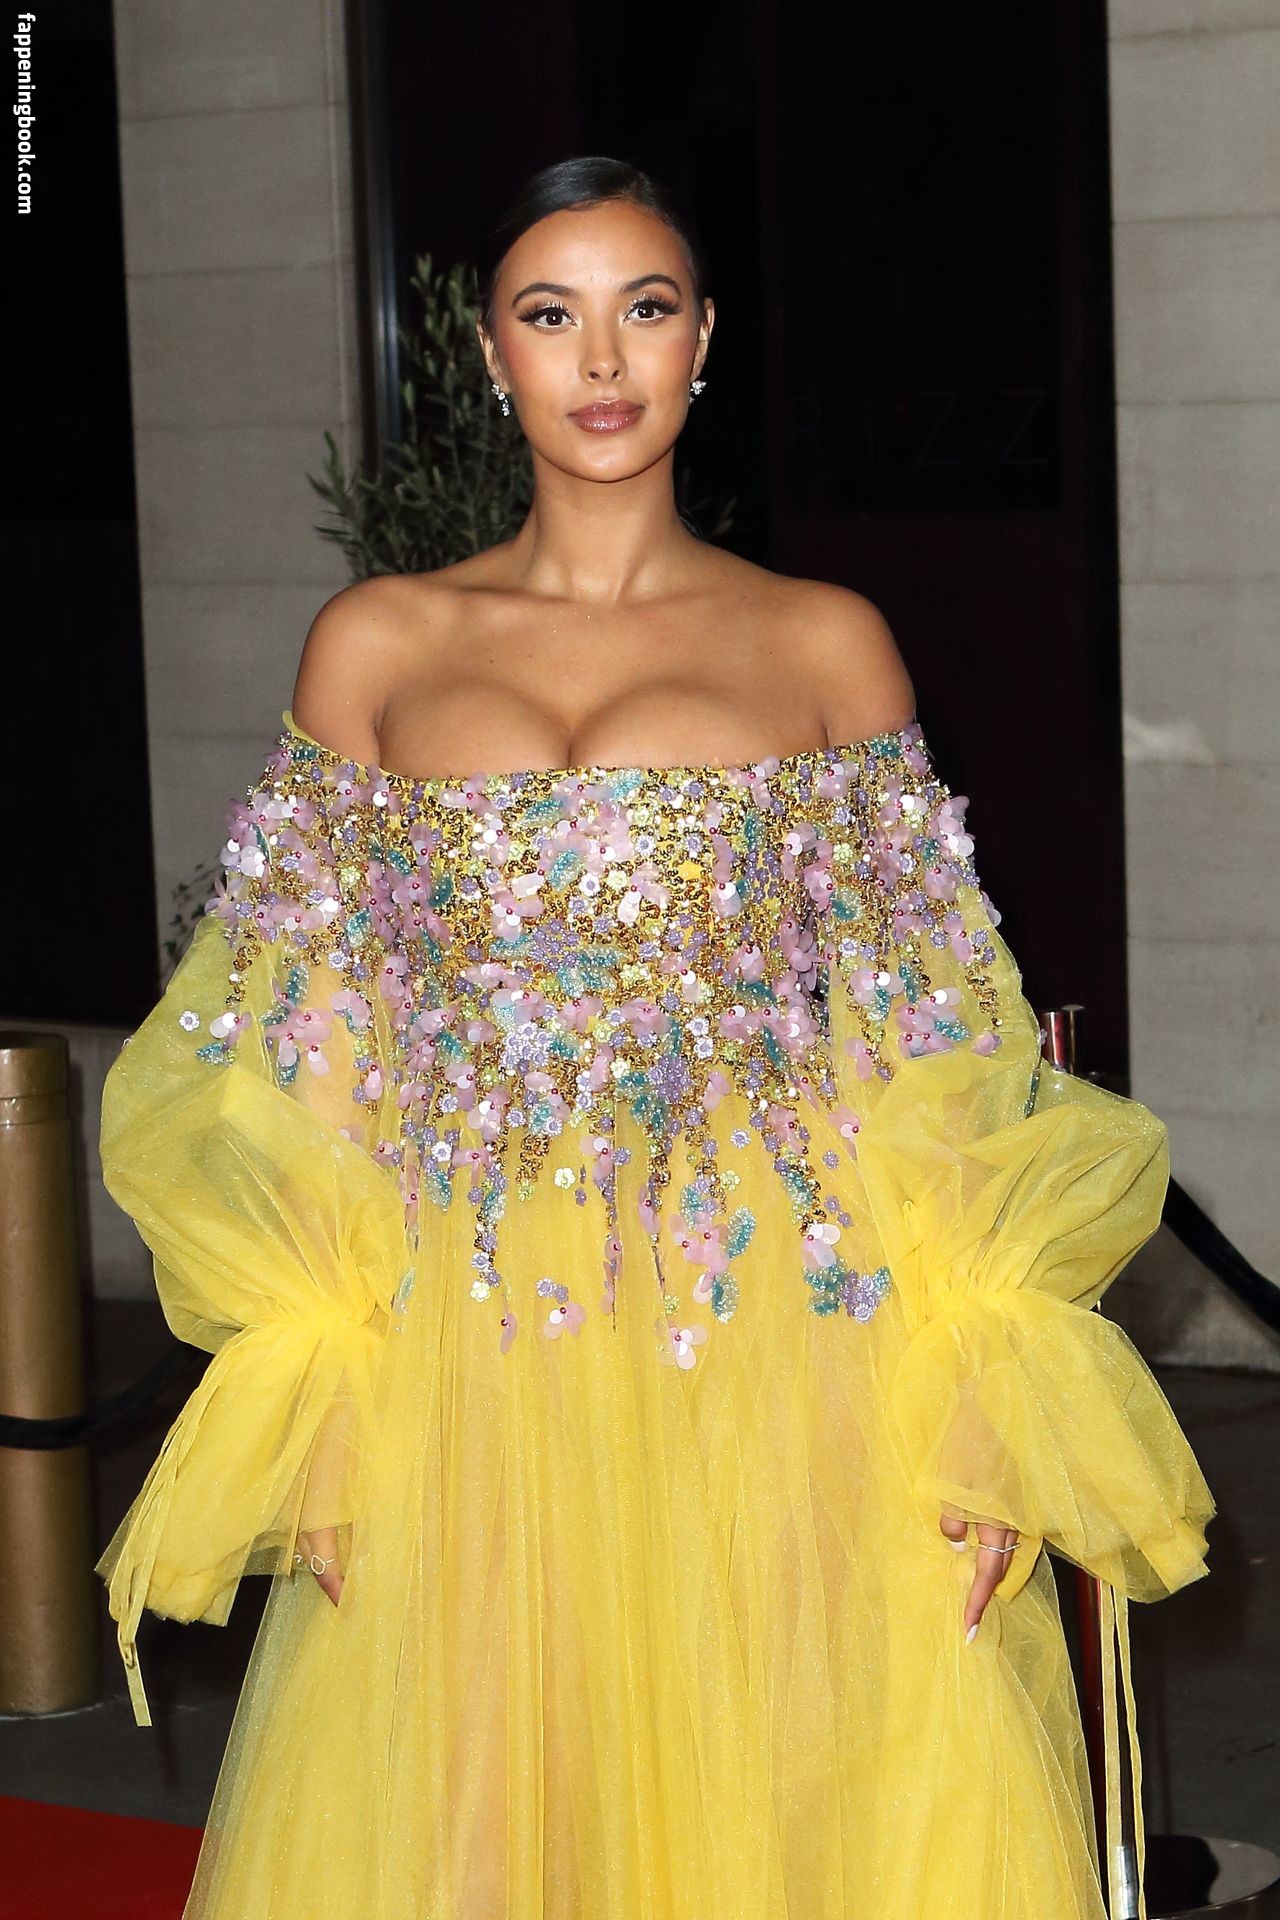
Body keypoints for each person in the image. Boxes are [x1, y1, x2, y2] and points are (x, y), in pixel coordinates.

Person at [96, 155, 1215, 1920]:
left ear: (707, 341)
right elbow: (308, 1041)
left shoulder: (822, 643)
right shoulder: (378, 646)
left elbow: (927, 1040)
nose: (602, 359)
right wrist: (312, 1394)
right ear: (490, 356)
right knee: (472, 1813)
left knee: (779, 1796)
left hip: (777, 1317)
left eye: (646, 308)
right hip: (462, 1331)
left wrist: (981, 1393)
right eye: (552, 314)